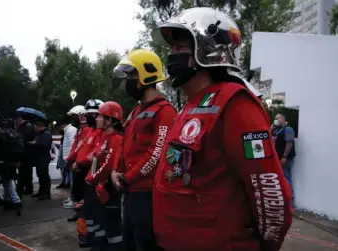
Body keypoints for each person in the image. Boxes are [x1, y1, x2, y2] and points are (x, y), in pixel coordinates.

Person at [150, 7, 293, 251]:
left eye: (180, 46)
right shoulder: (190, 105)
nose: (171, 55)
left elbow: (270, 193)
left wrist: (265, 245)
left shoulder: (235, 103)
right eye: (171, 48)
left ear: (208, 48)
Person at [112, 49, 177, 251]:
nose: (127, 82)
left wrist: (127, 178)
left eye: (131, 75)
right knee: (129, 241)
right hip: (130, 190)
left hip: (147, 193)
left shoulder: (164, 111)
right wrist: (115, 171)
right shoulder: (136, 111)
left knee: (146, 243)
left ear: (146, 75)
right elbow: (124, 146)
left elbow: (157, 154)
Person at [85, 101, 125, 251]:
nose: (96, 119)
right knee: (101, 221)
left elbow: (108, 165)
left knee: (112, 225)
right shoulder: (104, 137)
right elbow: (96, 159)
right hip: (99, 186)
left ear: (109, 120)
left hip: (109, 188)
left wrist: (91, 179)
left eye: (100, 117)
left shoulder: (116, 139)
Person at [72, 99, 104, 248]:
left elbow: (94, 154)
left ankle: (89, 237)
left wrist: (80, 163)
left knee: (89, 209)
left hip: (91, 174)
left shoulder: (102, 133)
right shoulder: (88, 130)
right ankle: (85, 235)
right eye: (89, 114)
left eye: (94, 114)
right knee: (82, 207)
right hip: (82, 173)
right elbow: (81, 148)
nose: (92, 117)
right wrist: (75, 161)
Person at [63, 105, 87, 211]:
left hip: (78, 162)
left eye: (75, 116)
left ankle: (76, 203)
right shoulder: (78, 130)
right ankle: (74, 201)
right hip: (73, 161)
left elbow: (80, 147)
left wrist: (76, 160)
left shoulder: (84, 130)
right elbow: (74, 146)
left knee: (76, 184)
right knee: (73, 183)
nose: (73, 119)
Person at [271, 113, 296, 205]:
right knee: (281, 179)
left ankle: (290, 202)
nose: (275, 120)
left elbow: (289, 143)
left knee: (287, 178)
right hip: (279, 158)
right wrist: (271, 129)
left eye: (277, 118)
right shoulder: (279, 130)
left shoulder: (288, 129)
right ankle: (285, 200)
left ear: (282, 119)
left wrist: (284, 156)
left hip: (286, 158)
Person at [30, 118, 52, 200]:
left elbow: (43, 145)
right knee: (40, 174)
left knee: (44, 175)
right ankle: (41, 191)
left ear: (39, 126)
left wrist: (35, 143)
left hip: (43, 157)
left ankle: (46, 192)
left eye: (35, 126)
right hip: (40, 157)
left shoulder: (46, 134)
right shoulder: (41, 134)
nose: (34, 128)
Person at [15, 114, 35, 196]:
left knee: (24, 171)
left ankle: (24, 188)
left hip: (25, 152)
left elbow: (22, 137)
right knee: (26, 171)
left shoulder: (25, 127)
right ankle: (28, 188)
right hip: (27, 152)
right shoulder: (28, 126)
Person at [56, 115, 77, 189]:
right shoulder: (68, 131)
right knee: (71, 175)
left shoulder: (70, 131)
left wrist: (70, 157)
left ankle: (72, 197)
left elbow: (72, 144)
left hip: (70, 157)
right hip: (68, 157)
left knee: (72, 177)